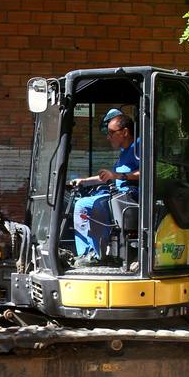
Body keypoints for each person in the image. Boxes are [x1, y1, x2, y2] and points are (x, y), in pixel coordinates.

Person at [69, 110, 140, 263]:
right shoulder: (124, 152)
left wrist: (118, 176)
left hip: (130, 197)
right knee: (83, 202)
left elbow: (147, 172)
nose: (108, 137)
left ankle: (92, 255)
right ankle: (94, 254)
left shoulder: (138, 146)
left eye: (111, 133)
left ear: (125, 132)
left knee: (87, 205)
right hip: (118, 196)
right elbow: (110, 176)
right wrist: (84, 181)